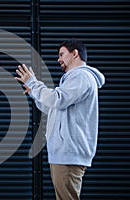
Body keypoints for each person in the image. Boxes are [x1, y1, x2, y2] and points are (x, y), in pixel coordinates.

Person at [15, 38, 105, 200]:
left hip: (69, 153)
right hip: (64, 153)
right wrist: (34, 92)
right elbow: (52, 108)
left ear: (75, 54)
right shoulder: (73, 79)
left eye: (62, 54)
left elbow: (57, 99)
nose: (59, 59)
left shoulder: (81, 77)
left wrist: (34, 84)